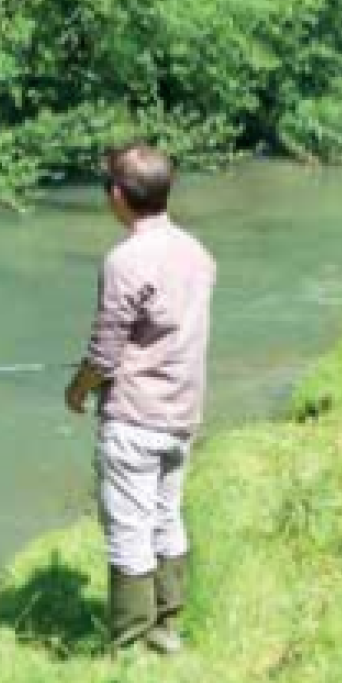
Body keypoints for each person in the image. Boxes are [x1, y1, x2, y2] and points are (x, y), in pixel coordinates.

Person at [64, 143, 216, 655]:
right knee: (166, 517)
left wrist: (76, 390)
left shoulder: (125, 260)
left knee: (129, 531)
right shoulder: (199, 255)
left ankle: (128, 649)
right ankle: (168, 629)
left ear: (117, 196)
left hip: (134, 418)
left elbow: (104, 355)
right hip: (183, 414)